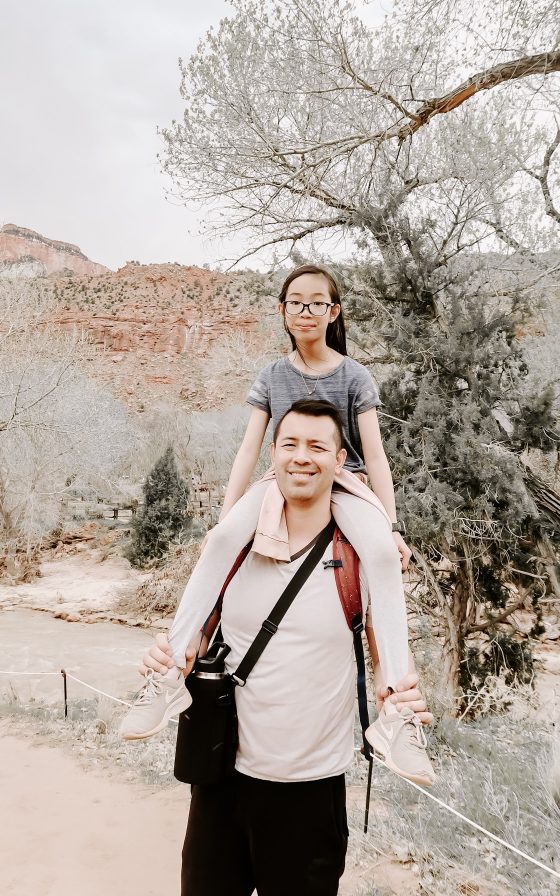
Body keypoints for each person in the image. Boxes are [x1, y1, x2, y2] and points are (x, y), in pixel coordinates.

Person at [120, 264, 433, 784]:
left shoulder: (354, 376)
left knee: (380, 557)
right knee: (220, 543)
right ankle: (170, 671)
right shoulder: (272, 374)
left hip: (344, 480)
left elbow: (374, 456)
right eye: (296, 302)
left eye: (317, 303)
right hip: (279, 478)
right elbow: (249, 448)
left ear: (334, 312)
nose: (306, 311)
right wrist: (227, 519)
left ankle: (398, 712)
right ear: (283, 312)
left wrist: (393, 525)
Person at [141, 402, 433, 896]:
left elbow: (385, 655)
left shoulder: (355, 555)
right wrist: (164, 658)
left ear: (340, 461)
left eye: (318, 447)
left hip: (311, 792)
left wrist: (400, 700)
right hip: (221, 782)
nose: (302, 457)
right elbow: (194, 639)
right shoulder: (237, 546)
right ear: (271, 455)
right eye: (290, 444)